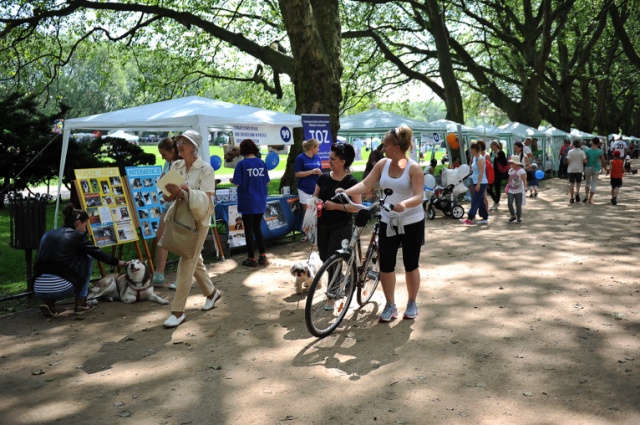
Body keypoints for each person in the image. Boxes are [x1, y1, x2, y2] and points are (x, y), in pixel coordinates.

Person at [339, 125, 425, 322]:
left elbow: (419, 195)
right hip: (388, 219)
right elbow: (366, 184)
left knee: (411, 264)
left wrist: (404, 203)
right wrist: (346, 191)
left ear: (396, 147)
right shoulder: (382, 164)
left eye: (385, 145)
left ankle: (412, 302)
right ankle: (390, 304)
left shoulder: (414, 168)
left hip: (411, 220)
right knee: (386, 264)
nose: (382, 148)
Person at [162, 130, 221, 328]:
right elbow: (165, 196)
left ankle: (177, 311)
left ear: (194, 147)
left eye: (183, 142)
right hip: (180, 218)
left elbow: (206, 198)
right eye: (178, 142)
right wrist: (172, 192)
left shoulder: (206, 169)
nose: (179, 145)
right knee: (194, 259)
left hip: (199, 221)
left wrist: (185, 191)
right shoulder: (176, 165)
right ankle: (212, 293)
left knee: (187, 260)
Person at [33, 204, 128, 317]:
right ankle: (81, 303)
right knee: (87, 257)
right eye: (85, 225)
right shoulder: (77, 235)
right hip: (61, 288)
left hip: (37, 287)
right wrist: (118, 262)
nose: (85, 229)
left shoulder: (47, 234)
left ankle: (48, 302)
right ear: (78, 223)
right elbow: (98, 253)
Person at [314, 143, 361, 262]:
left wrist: (335, 206)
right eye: (329, 158)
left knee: (333, 261)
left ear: (342, 162)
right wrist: (317, 201)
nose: (328, 161)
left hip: (341, 227)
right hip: (322, 225)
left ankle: (336, 281)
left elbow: (356, 207)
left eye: (332, 159)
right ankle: (336, 281)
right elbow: (314, 196)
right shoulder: (323, 178)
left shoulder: (351, 182)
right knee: (324, 259)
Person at [232, 139, 270, 267]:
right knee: (257, 228)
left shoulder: (242, 164)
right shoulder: (261, 163)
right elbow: (267, 182)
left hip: (247, 200)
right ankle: (263, 256)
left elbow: (237, 182)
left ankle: (251, 258)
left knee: (248, 229)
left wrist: (233, 179)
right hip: (260, 200)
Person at [153, 137, 180, 288]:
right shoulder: (168, 163)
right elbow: (163, 181)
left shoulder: (181, 163)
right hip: (167, 202)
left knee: (180, 240)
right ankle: (159, 273)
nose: (162, 157)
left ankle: (182, 276)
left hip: (179, 204)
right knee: (160, 237)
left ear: (172, 151)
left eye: (164, 154)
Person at [294, 138, 322, 242]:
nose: (318, 149)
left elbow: (321, 173)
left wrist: (319, 173)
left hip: (315, 189)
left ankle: (316, 232)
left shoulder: (317, 158)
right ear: (312, 147)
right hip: (304, 189)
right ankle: (307, 234)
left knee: (316, 211)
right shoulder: (300, 158)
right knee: (307, 212)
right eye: (317, 147)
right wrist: (311, 172)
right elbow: (297, 174)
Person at [460, 140, 489, 226]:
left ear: (474, 149)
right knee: (479, 201)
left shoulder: (480, 159)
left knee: (475, 200)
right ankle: (485, 217)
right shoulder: (475, 158)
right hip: (477, 181)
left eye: (471, 149)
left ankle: (470, 218)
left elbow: (481, 171)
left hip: (481, 182)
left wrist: (479, 183)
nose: (470, 151)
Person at [583, 137, 608, 204]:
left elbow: (585, 160)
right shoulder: (600, 151)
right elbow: (603, 161)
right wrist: (606, 168)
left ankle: (586, 196)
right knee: (593, 183)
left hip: (588, 166)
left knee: (587, 182)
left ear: (593, 142)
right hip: (596, 167)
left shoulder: (587, 151)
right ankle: (590, 199)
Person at [505, 155, 527, 224]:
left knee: (518, 204)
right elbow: (509, 179)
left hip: (519, 190)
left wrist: (525, 187)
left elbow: (524, 180)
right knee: (509, 203)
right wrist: (507, 186)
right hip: (511, 189)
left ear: (516, 163)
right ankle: (513, 215)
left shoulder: (521, 171)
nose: (510, 164)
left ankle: (519, 218)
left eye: (512, 163)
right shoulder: (510, 170)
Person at [488, 140, 509, 210]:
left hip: (499, 173)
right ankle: (495, 200)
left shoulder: (501, 153)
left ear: (495, 145)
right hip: (492, 172)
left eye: (491, 145)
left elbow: (505, 163)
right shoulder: (491, 153)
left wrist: (498, 158)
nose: (490, 146)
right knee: (489, 188)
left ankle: (496, 203)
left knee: (497, 188)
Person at [567, 139, 587, 203]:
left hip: (571, 169)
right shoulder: (582, 152)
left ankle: (571, 197)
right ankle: (577, 193)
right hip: (579, 169)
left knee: (571, 183)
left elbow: (568, 161)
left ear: (573, 144)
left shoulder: (570, 152)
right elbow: (584, 161)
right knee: (578, 183)